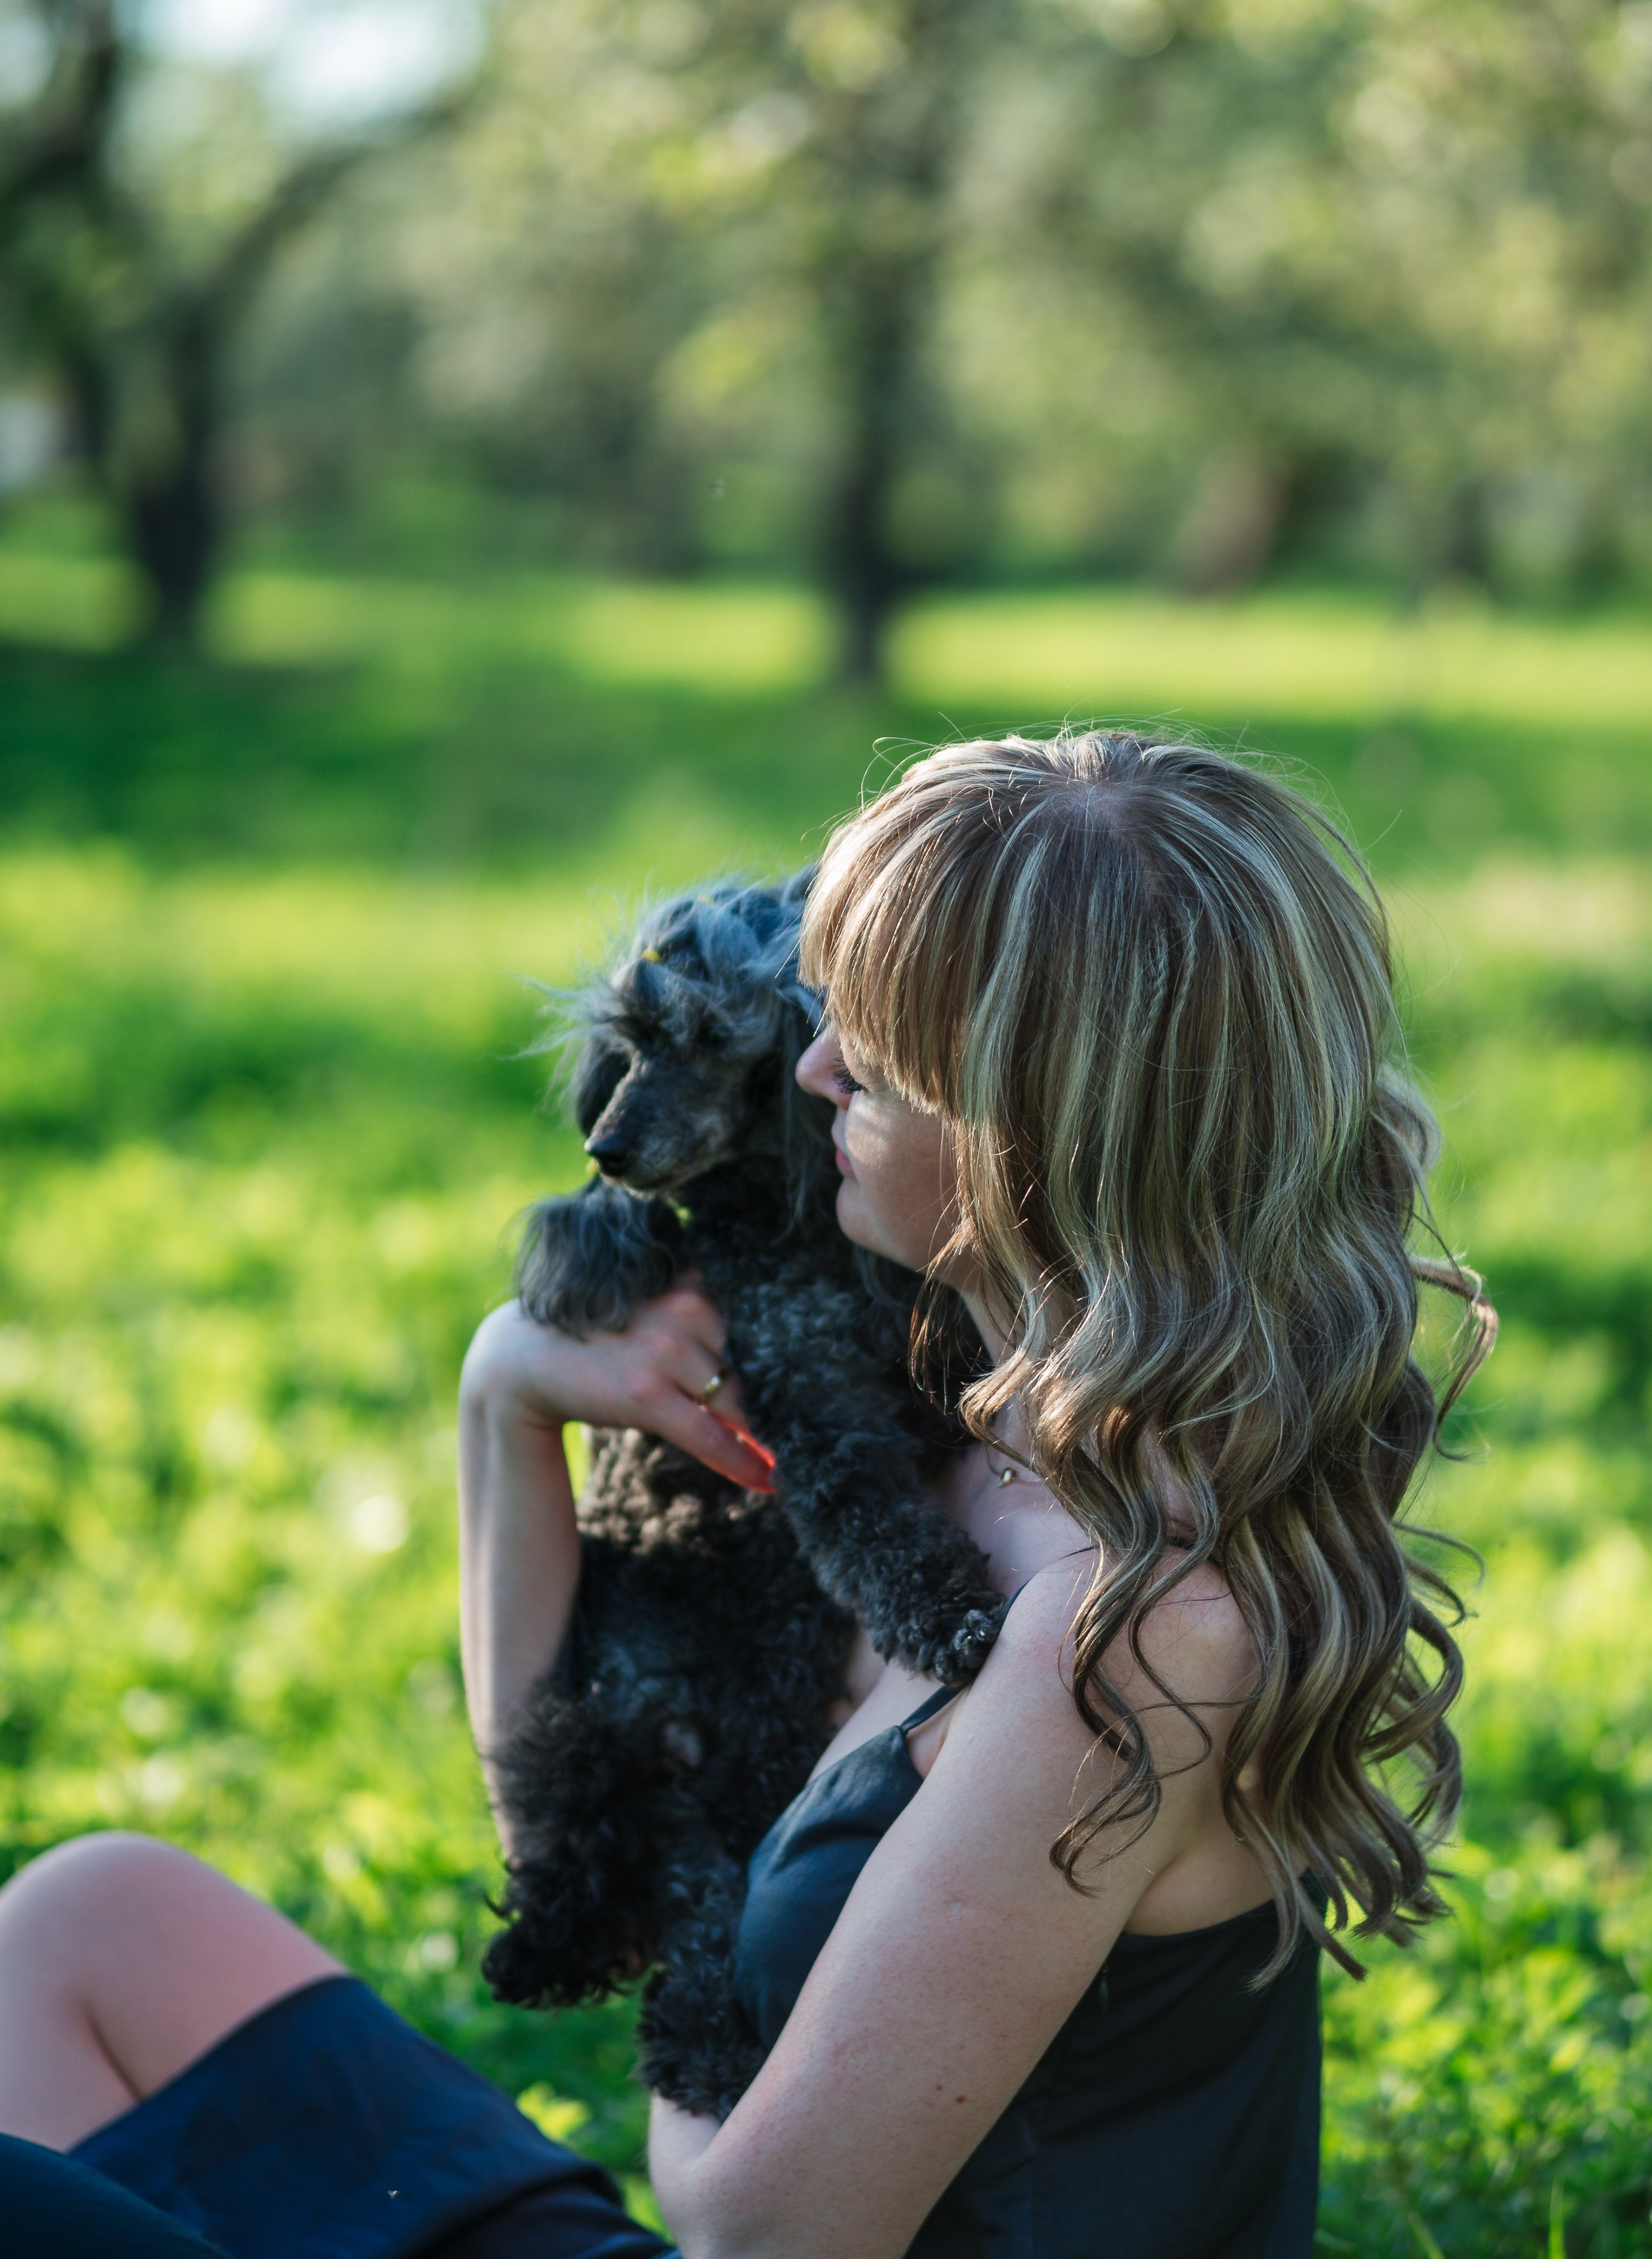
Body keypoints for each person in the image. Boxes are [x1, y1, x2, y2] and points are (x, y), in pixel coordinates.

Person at [0, 730, 1491, 2259]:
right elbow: (583, 1844)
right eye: (828, 1006)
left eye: (879, 1053)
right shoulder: (969, 1416)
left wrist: (695, 1970)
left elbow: (760, 2233)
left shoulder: (1133, 1633)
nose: (811, 1066)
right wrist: (505, 1399)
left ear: (1036, 1135)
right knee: (88, 1922)